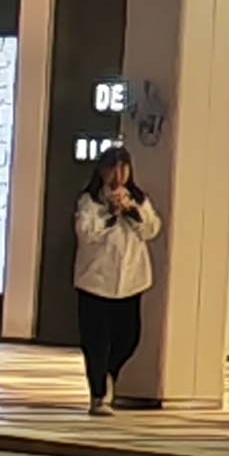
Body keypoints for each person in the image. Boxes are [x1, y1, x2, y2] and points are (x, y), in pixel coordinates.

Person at [70, 148, 159, 417]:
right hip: (95, 282)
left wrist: (131, 212)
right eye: (113, 168)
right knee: (95, 343)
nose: (118, 175)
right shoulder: (89, 201)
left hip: (130, 281)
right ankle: (98, 395)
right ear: (102, 171)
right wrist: (110, 214)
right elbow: (86, 233)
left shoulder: (139, 199)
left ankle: (110, 372)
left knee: (129, 338)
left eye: (124, 168)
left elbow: (152, 229)